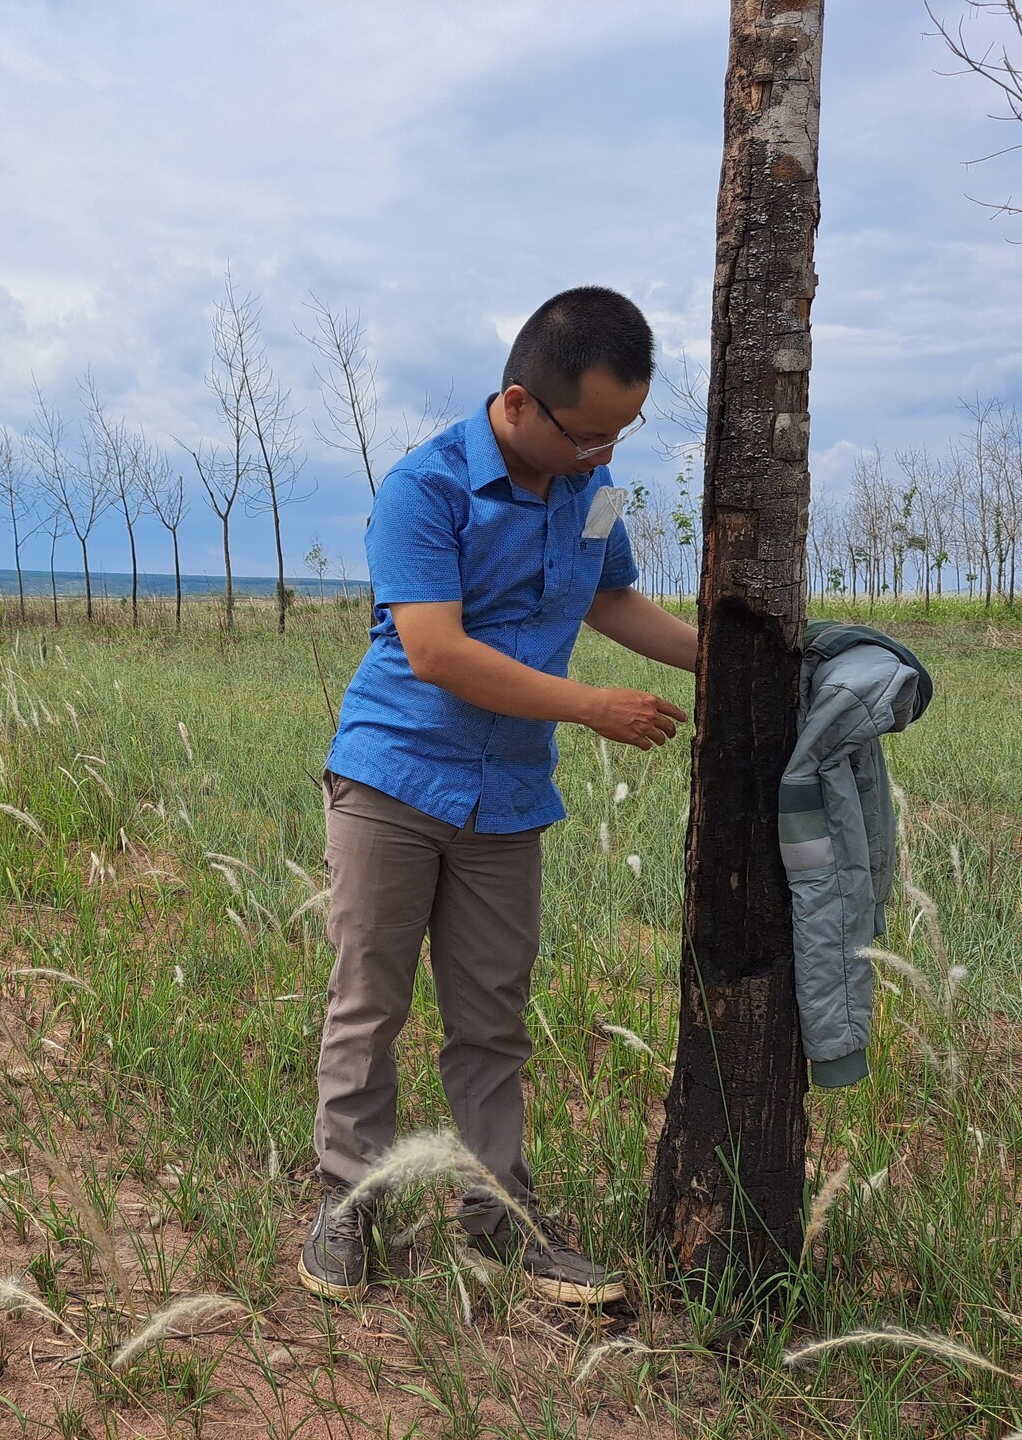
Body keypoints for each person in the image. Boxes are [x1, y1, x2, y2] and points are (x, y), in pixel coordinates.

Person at [298, 286, 699, 1307]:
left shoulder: (593, 487)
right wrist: (587, 708)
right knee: (370, 1003)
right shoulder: (422, 491)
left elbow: (609, 594)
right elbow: (434, 650)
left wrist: (716, 660)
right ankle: (350, 1202)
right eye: (589, 432)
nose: (606, 452)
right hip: (394, 779)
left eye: (624, 431)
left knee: (491, 1019)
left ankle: (498, 1223)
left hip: (507, 799)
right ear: (521, 404)